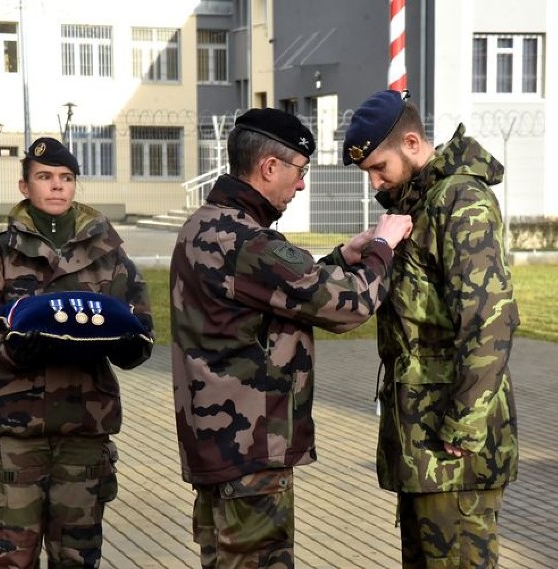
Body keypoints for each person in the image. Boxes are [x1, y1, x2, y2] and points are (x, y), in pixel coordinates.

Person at [170, 107, 412, 568]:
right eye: (299, 173)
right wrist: (383, 246)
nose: (301, 185)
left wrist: (341, 255)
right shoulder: (248, 241)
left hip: (217, 448)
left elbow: (276, 292)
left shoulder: (205, 224)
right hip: (251, 455)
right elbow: (348, 307)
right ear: (269, 167)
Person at [342, 90, 520, 569]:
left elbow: (489, 320)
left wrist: (463, 422)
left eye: (380, 167)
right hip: (420, 437)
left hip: (452, 442)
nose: (375, 181)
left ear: (413, 143)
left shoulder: (460, 201)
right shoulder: (417, 205)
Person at [0, 137, 154, 568]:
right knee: (14, 560)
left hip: (84, 432)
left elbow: (141, 327)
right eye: (45, 177)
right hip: (14, 434)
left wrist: (128, 347)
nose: (57, 187)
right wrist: (14, 351)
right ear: (24, 186)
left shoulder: (108, 255)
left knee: (78, 558)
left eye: (66, 178)